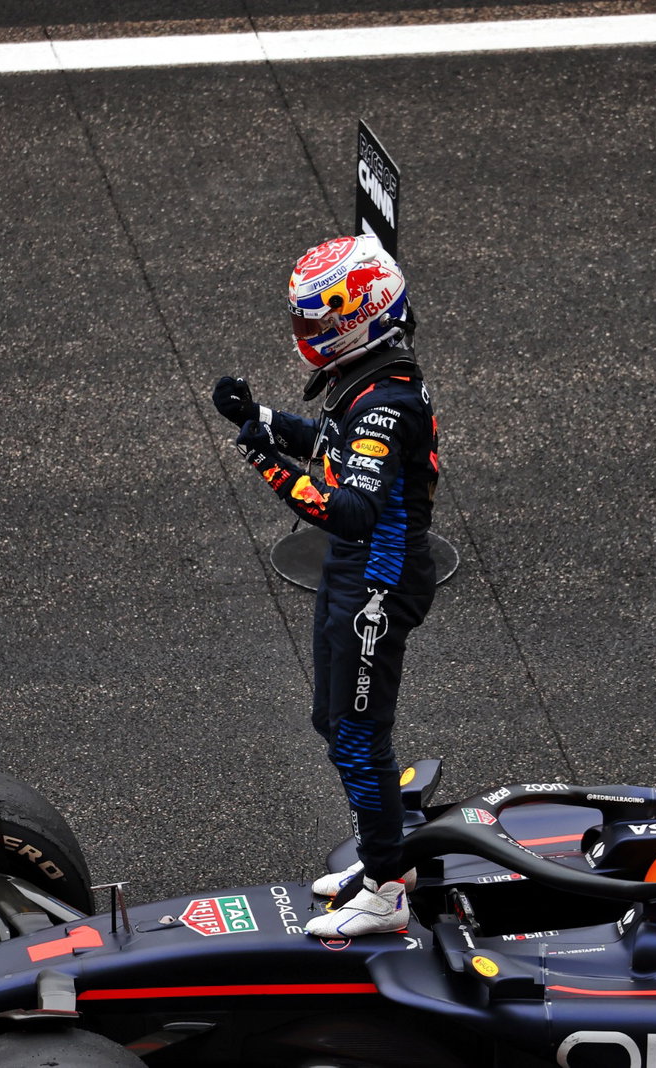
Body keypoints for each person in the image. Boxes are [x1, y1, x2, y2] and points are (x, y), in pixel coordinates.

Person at [212, 234, 439, 938]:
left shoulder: (384, 405)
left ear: (356, 315)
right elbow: (335, 446)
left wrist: (262, 459)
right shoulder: (367, 381)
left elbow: (348, 507)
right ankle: (386, 850)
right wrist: (267, 422)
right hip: (353, 571)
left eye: (316, 323)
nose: (306, 336)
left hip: (379, 580)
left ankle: (387, 887)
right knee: (331, 722)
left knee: (357, 737)